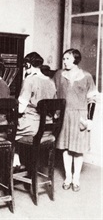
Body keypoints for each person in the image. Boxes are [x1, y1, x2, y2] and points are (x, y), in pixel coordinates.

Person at [53, 48, 97, 192]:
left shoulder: (87, 76)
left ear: (75, 59)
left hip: (80, 116)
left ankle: (76, 178)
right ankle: (68, 177)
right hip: (64, 115)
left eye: (67, 58)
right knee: (65, 147)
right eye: (64, 58)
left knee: (77, 150)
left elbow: (92, 98)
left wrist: (89, 119)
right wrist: (55, 112)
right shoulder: (59, 75)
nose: (64, 61)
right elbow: (53, 93)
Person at [12, 52, 57, 167]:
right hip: (47, 128)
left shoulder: (29, 80)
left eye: (24, 66)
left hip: (31, 127)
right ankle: (23, 163)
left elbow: (20, 108)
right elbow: (54, 109)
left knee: (8, 131)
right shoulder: (51, 81)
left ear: (28, 65)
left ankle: (16, 162)